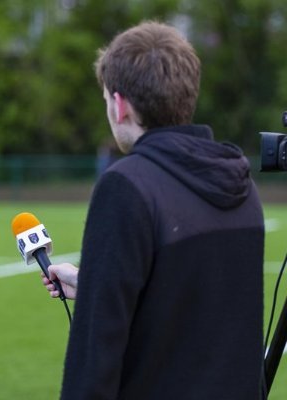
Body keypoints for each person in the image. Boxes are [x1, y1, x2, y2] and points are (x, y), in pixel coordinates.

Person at [42, 20, 264, 399]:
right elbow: (196, 306)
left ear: (119, 104)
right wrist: (95, 284)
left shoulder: (126, 185)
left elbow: (94, 358)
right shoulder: (240, 182)